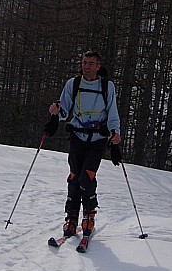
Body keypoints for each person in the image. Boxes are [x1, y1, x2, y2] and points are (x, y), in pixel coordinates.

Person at [46, 51, 122, 238]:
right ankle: (71, 218)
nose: (86, 66)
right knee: (74, 178)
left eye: (91, 63)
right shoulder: (73, 84)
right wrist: (56, 110)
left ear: (98, 66)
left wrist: (115, 133)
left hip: (97, 139)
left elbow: (112, 111)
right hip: (78, 136)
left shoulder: (107, 86)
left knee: (86, 178)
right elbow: (64, 109)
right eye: (84, 62)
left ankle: (89, 215)